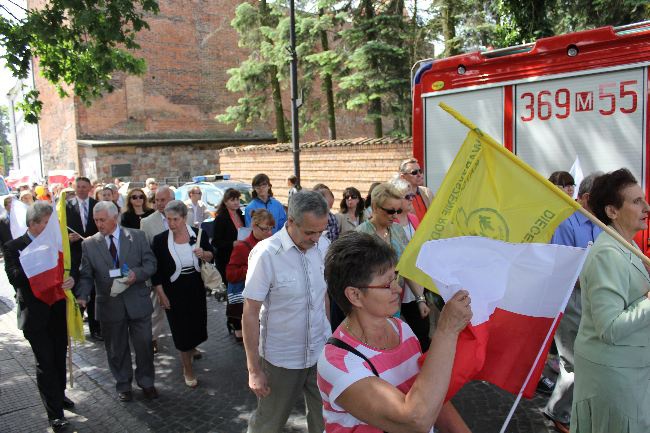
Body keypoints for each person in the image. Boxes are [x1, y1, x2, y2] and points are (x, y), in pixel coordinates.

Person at [318, 231, 473, 433]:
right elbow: (414, 420)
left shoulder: (401, 328)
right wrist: (446, 331)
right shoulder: (338, 362)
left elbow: (430, 394)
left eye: (396, 278)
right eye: (386, 284)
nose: (398, 289)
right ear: (355, 295)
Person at [242, 190, 331, 433]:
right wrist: (254, 370)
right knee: (268, 425)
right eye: (310, 232)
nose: (316, 238)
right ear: (290, 221)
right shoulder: (266, 254)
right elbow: (250, 313)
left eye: (320, 231)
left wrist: (330, 339)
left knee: (325, 422)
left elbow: (323, 295)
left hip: (320, 353)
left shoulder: (323, 245)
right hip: (281, 360)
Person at [570, 168, 650, 433]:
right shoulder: (608, 253)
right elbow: (610, 328)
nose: (646, 207)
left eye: (644, 199)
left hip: (630, 369)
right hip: (614, 375)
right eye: (636, 202)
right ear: (612, 211)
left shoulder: (627, 244)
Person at [4, 202, 77, 431]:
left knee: (58, 359)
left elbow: (69, 269)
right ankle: (55, 414)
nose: (49, 227)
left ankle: (60, 394)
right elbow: (14, 278)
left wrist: (70, 279)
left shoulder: (55, 242)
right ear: (32, 224)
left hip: (57, 310)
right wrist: (37, 263)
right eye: (45, 223)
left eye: (50, 222)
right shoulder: (13, 246)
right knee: (45, 362)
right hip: (34, 315)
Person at [76, 201, 158, 402]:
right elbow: (86, 275)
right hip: (109, 305)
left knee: (144, 345)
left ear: (115, 218)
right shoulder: (89, 244)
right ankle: (123, 385)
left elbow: (151, 264)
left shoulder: (137, 237)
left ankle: (146, 382)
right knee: (116, 349)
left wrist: (136, 274)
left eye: (103, 220)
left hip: (137, 301)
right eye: (96, 220)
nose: (99, 224)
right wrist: (82, 296)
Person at [543, 173, 603, 433]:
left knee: (591, 361)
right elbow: (561, 268)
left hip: (595, 298)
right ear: (588, 198)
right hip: (571, 301)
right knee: (574, 363)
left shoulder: (601, 222)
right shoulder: (566, 222)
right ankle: (559, 413)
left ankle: (574, 410)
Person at [151, 200, 213, 388]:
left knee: (196, 323)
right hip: (173, 289)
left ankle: (192, 347)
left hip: (195, 286)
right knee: (180, 330)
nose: (171, 224)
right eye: (168, 219)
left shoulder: (199, 234)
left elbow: (212, 255)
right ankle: (187, 368)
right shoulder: (160, 240)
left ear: (185, 218)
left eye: (175, 219)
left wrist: (205, 254)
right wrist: (161, 294)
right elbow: (157, 272)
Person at [389, 177, 431, 350]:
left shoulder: (414, 219)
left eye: (412, 196)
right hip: (399, 288)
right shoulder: (391, 223)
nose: (412, 199)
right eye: (407, 197)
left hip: (418, 285)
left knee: (422, 332)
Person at [226, 209, 275, 341]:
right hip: (250, 302)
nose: (269, 233)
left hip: (267, 302)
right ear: (254, 226)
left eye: (271, 228)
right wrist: (253, 268)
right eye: (265, 229)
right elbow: (230, 274)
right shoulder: (242, 247)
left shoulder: (271, 244)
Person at [140, 186, 175, 353]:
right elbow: (144, 250)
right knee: (155, 311)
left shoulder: (186, 216)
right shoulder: (146, 222)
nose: (160, 203)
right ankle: (152, 338)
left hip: (181, 273)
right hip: (158, 273)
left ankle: (190, 345)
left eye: (163, 200)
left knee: (184, 311)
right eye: (157, 200)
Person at [66, 177, 101, 341]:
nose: (80, 189)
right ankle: (76, 326)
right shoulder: (66, 206)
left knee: (94, 291)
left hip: (93, 253)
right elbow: (58, 231)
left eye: (84, 187)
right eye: (78, 187)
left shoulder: (97, 206)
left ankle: (96, 328)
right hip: (74, 255)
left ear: (90, 188)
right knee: (75, 290)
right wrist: (67, 237)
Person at [211, 188, 245, 285]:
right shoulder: (221, 218)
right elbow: (216, 242)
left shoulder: (240, 215)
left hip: (240, 257)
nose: (236, 202)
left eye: (237, 199)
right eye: (232, 200)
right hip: (226, 260)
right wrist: (232, 244)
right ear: (225, 202)